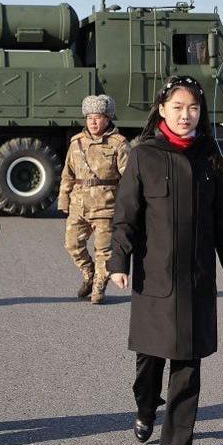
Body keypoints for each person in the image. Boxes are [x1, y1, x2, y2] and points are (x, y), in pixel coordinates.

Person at [107, 75, 223, 445]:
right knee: (149, 359)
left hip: (196, 278)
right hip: (154, 276)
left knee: (188, 360)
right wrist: (118, 261)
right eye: (178, 108)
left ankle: (179, 437)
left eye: (193, 108)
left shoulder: (209, 156)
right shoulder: (144, 155)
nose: (186, 115)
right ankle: (146, 406)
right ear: (163, 110)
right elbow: (125, 215)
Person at [57, 94, 130, 304]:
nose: (93, 122)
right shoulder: (76, 143)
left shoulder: (119, 144)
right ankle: (89, 273)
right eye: (89, 118)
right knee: (72, 244)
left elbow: (129, 178)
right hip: (79, 205)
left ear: (107, 119)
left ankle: (99, 286)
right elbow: (68, 174)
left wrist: (126, 206)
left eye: (98, 117)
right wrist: (64, 199)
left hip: (106, 205)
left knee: (103, 251)